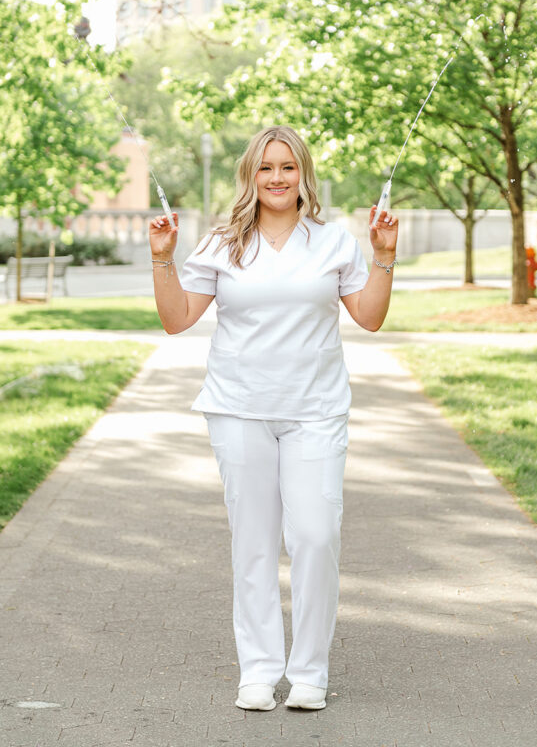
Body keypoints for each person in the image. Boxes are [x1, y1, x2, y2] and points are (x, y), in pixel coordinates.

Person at [149, 125, 398, 713]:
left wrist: (384, 256)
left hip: (316, 411)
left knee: (315, 536)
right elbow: (177, 319)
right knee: (254, 544)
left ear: (303, 174)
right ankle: (258, 671)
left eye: (288, 167)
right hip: (239, 409)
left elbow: (369, 317)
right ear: (250, 176)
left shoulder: (334, 242)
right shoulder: (221, 242)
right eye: (266, 168)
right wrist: (162, 261)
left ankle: (310, 670)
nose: (277, 178)